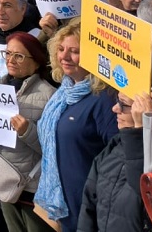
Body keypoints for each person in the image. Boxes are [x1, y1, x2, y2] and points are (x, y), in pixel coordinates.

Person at [35, 20, 118, 232]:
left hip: (89, 204)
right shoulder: (63, 93)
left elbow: (116, 158)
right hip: (62, 200)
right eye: (61, 49)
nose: (65, 57)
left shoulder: (104, 98)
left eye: (75, 51)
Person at [0, 32, 56, 232]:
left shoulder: (49, 95)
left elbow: (52, 149)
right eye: (8, 53)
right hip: (3, 182)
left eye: (19, 56)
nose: (10, 60)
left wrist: (27, 131)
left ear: (36, 61)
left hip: (32, 187)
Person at [77, 88, 148, 231]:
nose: (115, 108)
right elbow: (88, 205)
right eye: (117, 101)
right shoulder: (114, 146)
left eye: (124, 104)